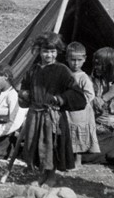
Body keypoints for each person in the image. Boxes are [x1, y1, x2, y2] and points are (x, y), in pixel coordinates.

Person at [18, 33, 87, 187]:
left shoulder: (62, 70)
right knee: (36, 145)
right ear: (38, 51)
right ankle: (41, 174)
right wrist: (24, 94)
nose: (49, 55)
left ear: (57, 51)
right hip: (35, 115)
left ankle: (51, 176)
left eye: (53, 51)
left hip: (52, 116)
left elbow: (77, 94)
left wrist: (59, 99)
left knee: (51, 145)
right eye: (45, 51)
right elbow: (24, 88)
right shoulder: (33, 70)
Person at [65, 42, 100, 169]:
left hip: (80, 112)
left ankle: (78, 161)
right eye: (72, 60)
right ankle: (67, 159)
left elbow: (90, 95)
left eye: (79, 60)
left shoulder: (83, 77)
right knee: (68, 134)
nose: (75, 63)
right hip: (68, 110)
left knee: (78, 134)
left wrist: (75, 100)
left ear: (84, 59)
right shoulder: (66, 74)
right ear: (67, 58)